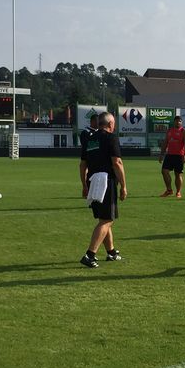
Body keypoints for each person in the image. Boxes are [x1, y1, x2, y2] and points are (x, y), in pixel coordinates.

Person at [79, 112, 127, 268]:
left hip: (92, 180)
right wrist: (124, 186)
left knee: (104, 219)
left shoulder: (90, 139)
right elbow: (117, 162)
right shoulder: (111, 138)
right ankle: (90, 255)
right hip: (106, 181)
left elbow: (82, 165)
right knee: (107, 220)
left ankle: (111, 252)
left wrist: (84, 185)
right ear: (110, 124)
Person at [159, 116, 185, 198]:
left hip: (179, 155)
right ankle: (169, 190)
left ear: (181, 122)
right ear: (174, 122)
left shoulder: (184, 131)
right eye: (176, 121)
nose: (178, 122)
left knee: (178, 174)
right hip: (169, 155)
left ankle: (178, 192)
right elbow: (165, 142)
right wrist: (162, 154)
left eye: (179, 121)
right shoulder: (169, 131)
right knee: (164, 171)